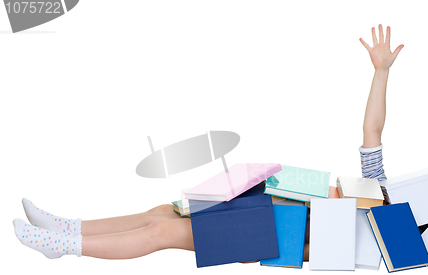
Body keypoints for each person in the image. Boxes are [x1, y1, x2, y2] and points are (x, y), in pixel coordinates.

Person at [13, 24, 403, 260]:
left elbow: (319, 252)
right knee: (164, 212)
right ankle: (71, 230)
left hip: (269, 232)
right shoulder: (381, 189)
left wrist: (277, 247)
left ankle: (66, 246)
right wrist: (381, 72)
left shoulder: (387, 239)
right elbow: (372, 131)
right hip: (264, 203)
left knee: (162, 234)